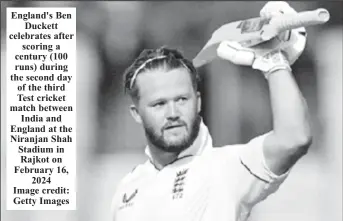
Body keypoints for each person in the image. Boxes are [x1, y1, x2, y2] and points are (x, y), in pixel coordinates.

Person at [111, 2, 312, 221]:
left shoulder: (225, 168)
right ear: (136, 114)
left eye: (181, 99)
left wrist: (275, 62)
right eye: (159, 104)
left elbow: (294, 139)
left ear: (197, 102)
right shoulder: (127, 189)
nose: (173, 112)